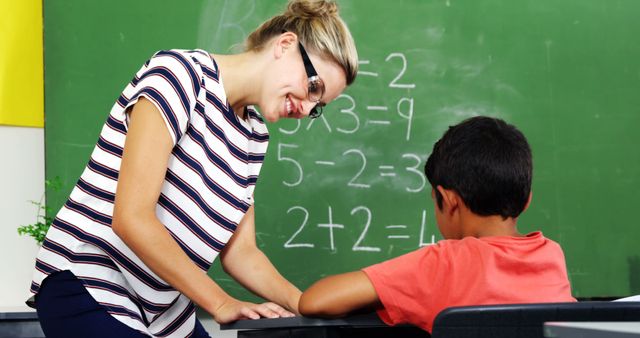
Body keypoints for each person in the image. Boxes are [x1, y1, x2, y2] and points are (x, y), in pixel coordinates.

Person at [28, 1, 358, 337]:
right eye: (313, 87)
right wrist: (219, 302)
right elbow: (131, 218)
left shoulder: (254, 136)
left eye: (318, 106)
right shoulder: (180, 76)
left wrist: (306, 305)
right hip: (91, 279)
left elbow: (241, 253)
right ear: (285, 45)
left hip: (162, 306)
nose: (306, 109)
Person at [298, 116, 576, 333]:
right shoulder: (551, 257)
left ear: (448, 200)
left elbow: (315, 300)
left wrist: (385, 294)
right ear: (527, 201)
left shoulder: (444, 264)